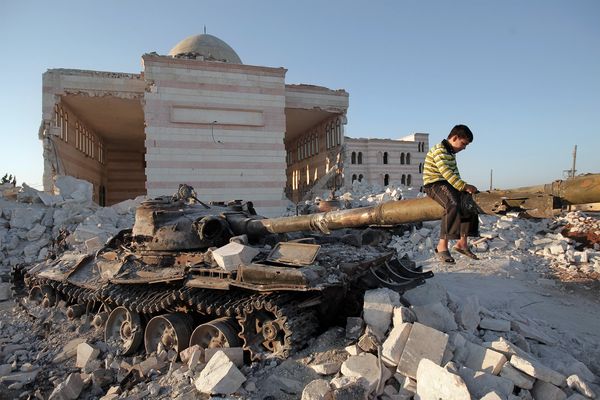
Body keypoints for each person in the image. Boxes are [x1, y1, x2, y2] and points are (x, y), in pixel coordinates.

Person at [423, 124, 479, 263]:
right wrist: (464, 186)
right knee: (452, 204)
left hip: (447, 184)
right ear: (455, 138)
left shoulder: (450, 153)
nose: (464, 148)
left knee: (469, 202)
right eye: (463, 144)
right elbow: (447, 173)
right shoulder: (439, 151)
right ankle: (442, 246)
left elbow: (455, 175)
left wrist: (464, 190)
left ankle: (462, 243)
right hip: (434, 184)